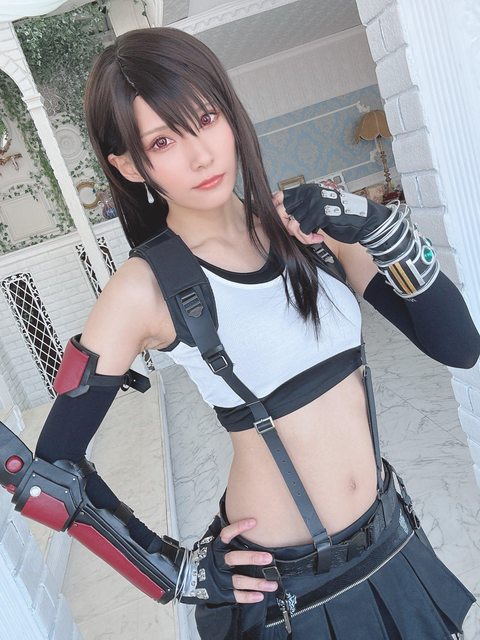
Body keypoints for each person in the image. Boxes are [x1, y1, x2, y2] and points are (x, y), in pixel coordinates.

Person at [1, 26, 479, 639]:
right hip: (285, 593)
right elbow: (50, 471)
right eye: (164, 140)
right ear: (129, 164)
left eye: (206, 118)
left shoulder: (309, 229)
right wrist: (176, 571)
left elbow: (458, 346)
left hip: (391, 538)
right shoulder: (144, 289)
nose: (201, 156)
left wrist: (379, 226)